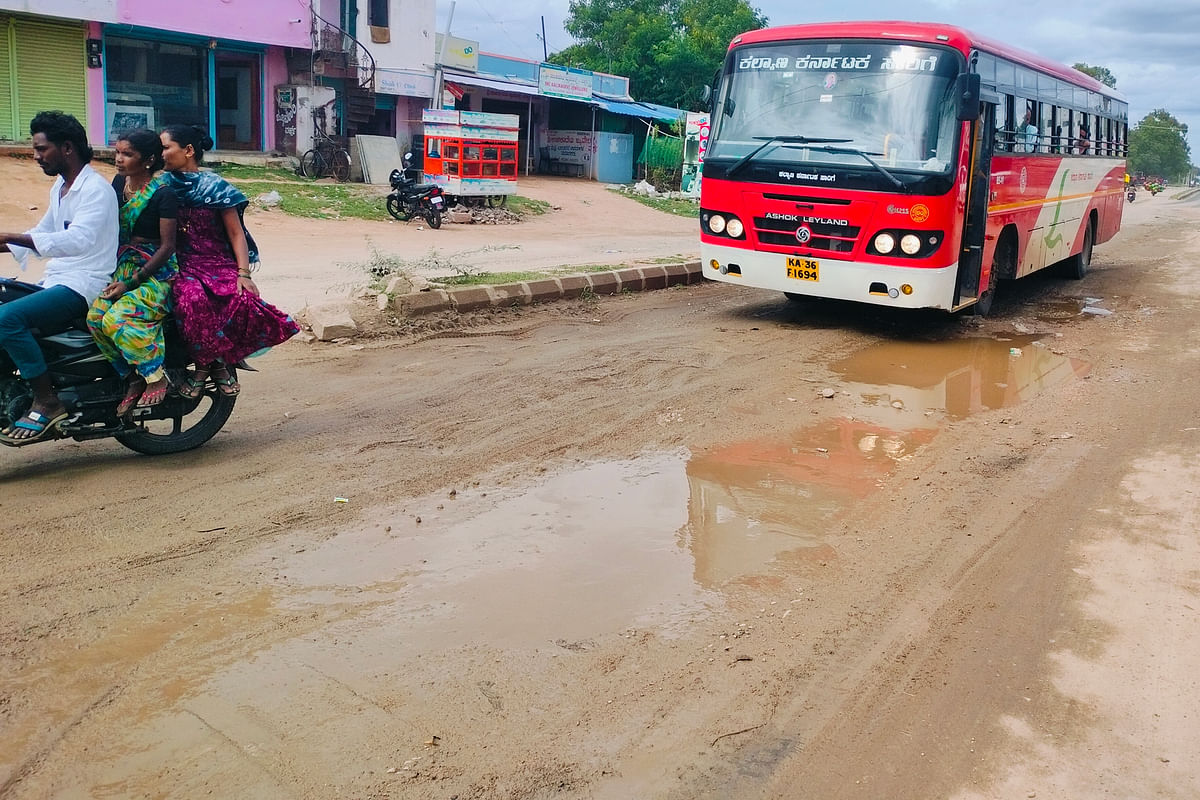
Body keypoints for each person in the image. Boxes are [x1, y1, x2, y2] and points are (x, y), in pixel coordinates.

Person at [0, 111, 118, 444]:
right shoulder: (61, 186)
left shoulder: (95, 190)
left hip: (84, 283)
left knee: (6, 319)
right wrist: (7, 244)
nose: (36, 156)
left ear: (67, 147)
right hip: (58, 276)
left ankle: (47, 400)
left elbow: (76, 240)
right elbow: (45, 231)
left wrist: (15, 238)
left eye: (42, 149)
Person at [159, 125, 298, 397]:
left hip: (216, 262)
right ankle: (211, 365)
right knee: (192, 298)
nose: (160, 153)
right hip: (181, 264)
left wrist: (243, 274)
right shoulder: (160, 187)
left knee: (240, 299)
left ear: (188, 151)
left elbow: (236, 234)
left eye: (165, 147)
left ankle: (207, 366)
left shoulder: (217, 187)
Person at [87, 129, 177, 414]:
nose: (119, 159)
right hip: (121, 266)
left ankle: (155, 375)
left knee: (118, 318)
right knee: (94, 318)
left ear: (149, 159)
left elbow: (167, 247)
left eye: (127, 154)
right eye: (117, 153)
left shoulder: (164, 194)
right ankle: (131, 377)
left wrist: (131, 283)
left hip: (156, 272)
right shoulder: (117, 184)